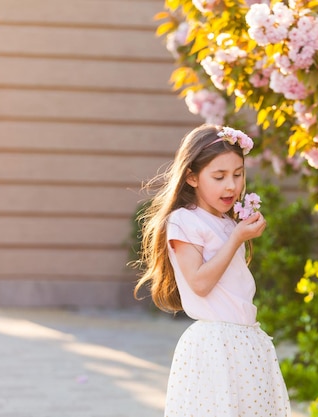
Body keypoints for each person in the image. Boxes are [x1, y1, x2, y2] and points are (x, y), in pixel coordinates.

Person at [134, 124, 291, 416]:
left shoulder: (229, 223)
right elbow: (199, 283)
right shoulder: (185, 222)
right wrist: (236, 239)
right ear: (191, 177)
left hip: (246, 341)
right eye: (219, 177)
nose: (231, 186)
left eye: (238, 174)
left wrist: (235, 234)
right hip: (215, 345)